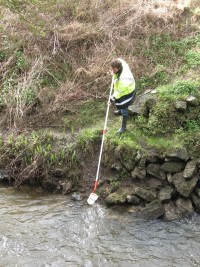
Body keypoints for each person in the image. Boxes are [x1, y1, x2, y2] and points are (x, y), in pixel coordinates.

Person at [110, 58, 136, 133]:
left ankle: (123, 127)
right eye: (112, 69)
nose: (113, 71)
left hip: (127, 92)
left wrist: (111, 99)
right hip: (122, 89)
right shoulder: (121, 63)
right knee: (119, 102)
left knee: (124, 106)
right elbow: (119, 59)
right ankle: (120, 111)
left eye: (114, 69)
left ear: (119, 68)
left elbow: (118, 93)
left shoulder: (123, 80)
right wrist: (114, 72)